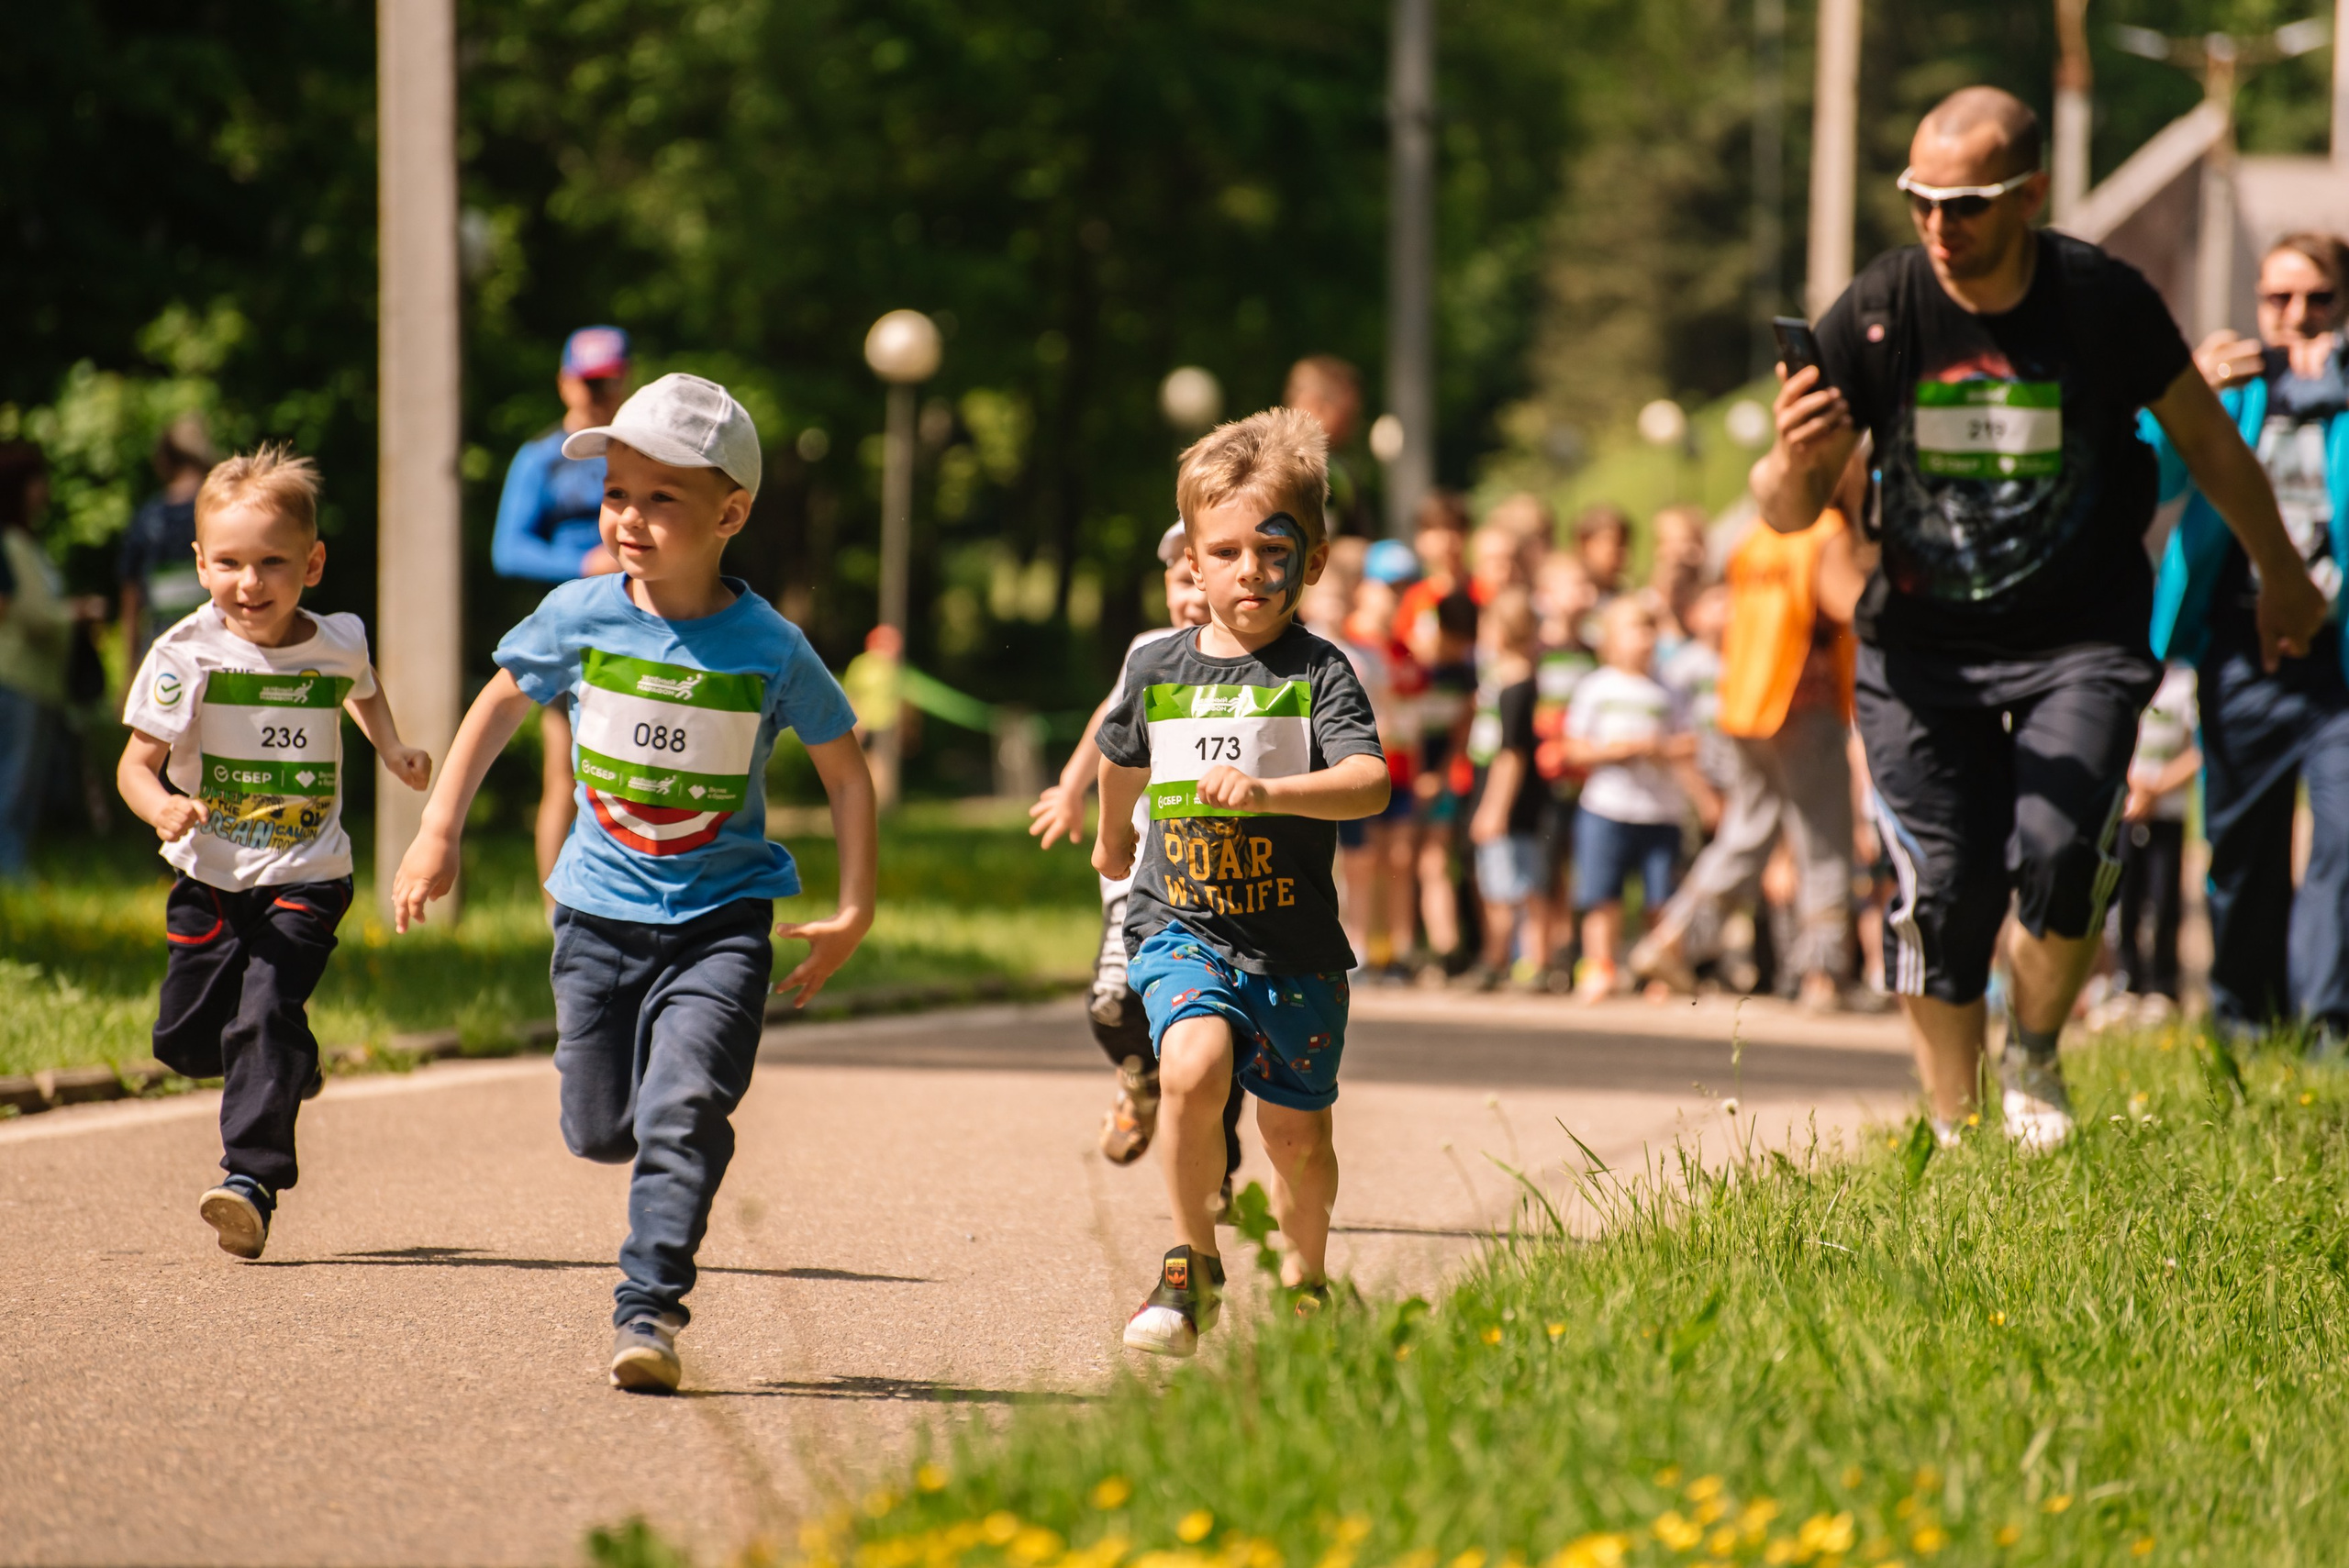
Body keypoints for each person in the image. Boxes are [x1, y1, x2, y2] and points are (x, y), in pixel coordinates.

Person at [1752, 87, 2325, 1149]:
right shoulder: (1880, 308)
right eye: (1922, 201)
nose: (1940, 226)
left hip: (2079, 640)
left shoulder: (2099, 301)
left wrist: (2281, 573)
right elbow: (1790, 513)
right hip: (1920, 650)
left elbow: (2206, 441)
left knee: (2061, 855)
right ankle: (1958, 1131)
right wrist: (1789, 458)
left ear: (2029, 195)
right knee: (1942, 890)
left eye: (1965, 203)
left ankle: (2035, 1051)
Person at [393, 373, 878, 1393]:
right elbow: (495, 708)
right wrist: (437, 833)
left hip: (722, 919)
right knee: (599, 1125)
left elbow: (844, 767)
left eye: (661, 497)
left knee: (684, 1108)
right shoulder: (577, 615)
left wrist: (854, 907)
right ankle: (639, 1176)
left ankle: (648, 1306)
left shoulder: (771, 648)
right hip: (595, 913)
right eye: (617, 493)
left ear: (729, 514)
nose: (629, 516)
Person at [1091, 406, 1386, 1357]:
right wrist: (1108, 842)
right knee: (1189, 1065)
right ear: (1192, 562)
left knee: (1297, 1139)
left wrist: (1270, 791)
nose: (1247, 573)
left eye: (1272, 550)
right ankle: (1189, 1263)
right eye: (1224, 552)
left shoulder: (1318, 673)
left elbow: (1368, 780)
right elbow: (1117, 756)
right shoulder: (1158, 668)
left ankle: (1306, 1281)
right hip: (1179, 923)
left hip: (1294, 943)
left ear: (1313, 559)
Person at [114, 447, 433, 1259]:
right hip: (208, 879)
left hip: (308, 873)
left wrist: (391, 748)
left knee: (263, 1013)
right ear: (199, 563)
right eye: (228, 563)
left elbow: (359, 685)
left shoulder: (336, 640)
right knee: (184, 1042)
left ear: (312, 563)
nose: (249, 583)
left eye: (271, 563)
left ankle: (248, 1180)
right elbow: (134, 766)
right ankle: (287, 1064)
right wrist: (163, 809)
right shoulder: (184, 655)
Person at [2147, 233, 2349, 1044]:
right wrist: (2185, 390)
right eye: (2278, 299)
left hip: (2336, 665)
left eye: (2319, 299)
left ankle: (2329, 1029)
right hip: (2240, 657)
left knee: (2342, 845)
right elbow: (2153, 478)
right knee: (2240, 851)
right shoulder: (2232, 387)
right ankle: (2245, 1023)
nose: (2297, 317)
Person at [1632, 454, 1871, 1010]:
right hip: (1802, 701)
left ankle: (1672, 940)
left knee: (1748, 830)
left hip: (1745, 701)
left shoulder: (1754, 535)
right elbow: (1852, 607)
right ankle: (1823, 974)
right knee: (1824, 838)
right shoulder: (1824, 531)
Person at [1028, 522, 1230, 1176]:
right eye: (1181, 579)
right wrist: (1070, 786)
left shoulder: (1263, 662)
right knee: (1113, 1001)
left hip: (1225, 877)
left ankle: (1216, 1167)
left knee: (1221, 1024)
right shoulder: (1149, 650)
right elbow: (1109, 720)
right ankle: (1140, 1078)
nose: (1193, 594)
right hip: (1140, 870)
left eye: (1205, 577)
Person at [492, 327, 631, 896]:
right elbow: (508, 548)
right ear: (564, 381)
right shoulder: (540, 458)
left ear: (627, 379)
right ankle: (558, 913)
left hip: (647, 623)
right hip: (574, 633)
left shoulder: (644, 454)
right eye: (587, 381)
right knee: (565, 776)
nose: (597, 392)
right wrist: (584, 563)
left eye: (608, 381)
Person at [1563, 596, 1698, 1001]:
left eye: (1649, 629)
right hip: (1607, 807)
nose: (1645, 639)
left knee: (1663, 898)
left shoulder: (1669, 688)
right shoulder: (1595, 687)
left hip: (1661, 811)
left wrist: (1661, 748)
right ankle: (1600, 965)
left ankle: (1662, 970)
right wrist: (1616, 750)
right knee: (1602, 896)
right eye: (1635, 629)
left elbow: (1691, 742)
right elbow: (1573, 747)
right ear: (1609, 640)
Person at [1462, 587, 1548, 988]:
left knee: (1509, 883)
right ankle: (1515, 958)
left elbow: (1512, 753)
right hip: (1497, 793)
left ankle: (1509, 959)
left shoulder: (1517, 686)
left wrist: (1494, 808)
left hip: (1508, 802)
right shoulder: (1501, 679)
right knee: (1506, 879)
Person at [0, 444, 75, 878]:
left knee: (26, 786)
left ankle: (16, 869)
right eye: (38, 481)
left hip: (39, 680)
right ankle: (9, 873)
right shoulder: (10, 543)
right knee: (13, 782)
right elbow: (33, 614)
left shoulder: (27, 542)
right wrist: (77, 613)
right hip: (17, 677)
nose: (45, 490)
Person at [2110, 661, 2199, 1018]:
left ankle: (2163, 986)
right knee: (2124, 901)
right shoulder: (2123, 667)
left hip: (2168, 811)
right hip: (2126, 809)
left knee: (2164, 902)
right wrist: (2132, 786)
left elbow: (2198, 750)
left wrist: (2158, 787)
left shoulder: (2185, 681)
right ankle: (2127, 983)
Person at [117, 413, 218, 670]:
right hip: (220, 646)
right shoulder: (223, 509)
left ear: (164, 459)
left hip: (164, 652)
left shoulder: (149, 516)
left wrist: (130, 668)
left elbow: (131, 598)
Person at [1284, 356, 1375, 539]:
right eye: (1349, 414)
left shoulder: (1339, 472)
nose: (1354, 426)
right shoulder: (1260, 466)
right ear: (1314, 403)